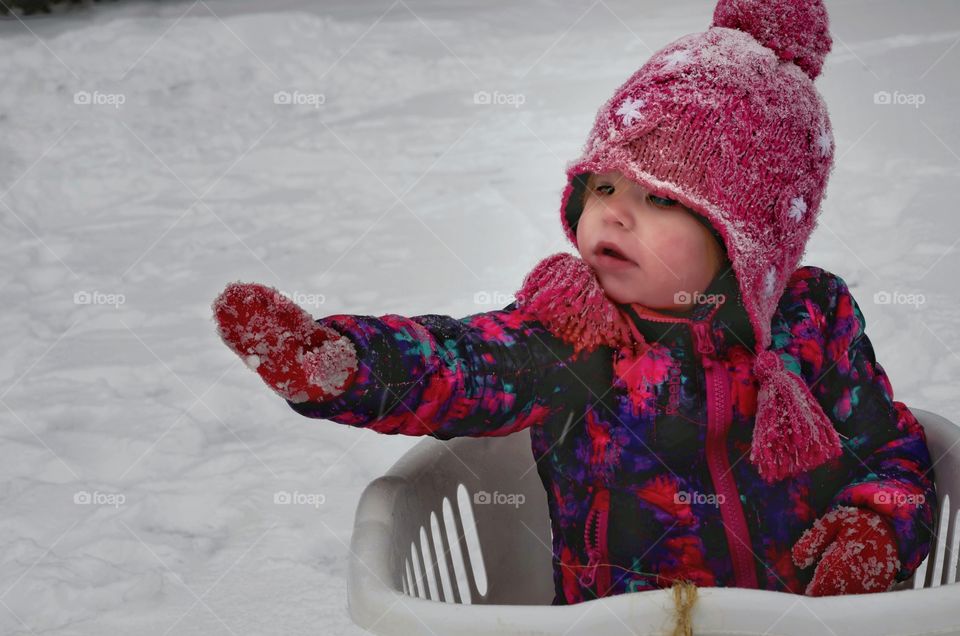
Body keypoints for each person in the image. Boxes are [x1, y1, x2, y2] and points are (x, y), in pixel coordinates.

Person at [211, 0, 936, 605]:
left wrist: (872, 526)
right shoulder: (573, 333)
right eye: (605, 187)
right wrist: (343, 363)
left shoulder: (814, 323)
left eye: (659, 199)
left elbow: (892, 450)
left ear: (746, 239)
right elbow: (459, 365)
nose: (614, 216)